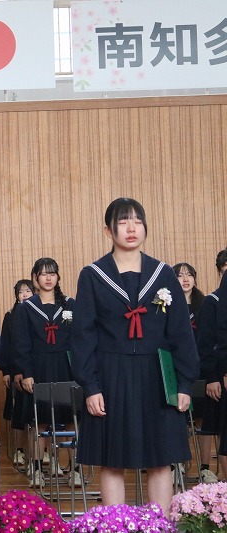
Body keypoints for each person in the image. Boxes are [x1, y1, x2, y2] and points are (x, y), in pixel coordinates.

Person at [71, 197, 199, 517]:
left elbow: (181, 333)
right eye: (123, 221)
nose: (131, 228)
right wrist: (90, 386)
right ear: (108, 230)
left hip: (157, 375)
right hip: (110, 375)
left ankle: (159, 524)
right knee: (112, 460)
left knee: (161, 459)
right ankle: (115, 525)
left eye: (137, 221)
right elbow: (83, 336)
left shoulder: (163, 274)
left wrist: (184, 384)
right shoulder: (93, 275)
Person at [13, 258, 78, 488]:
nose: (48, 278)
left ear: (58, 277)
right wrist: (26, 372)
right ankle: (38, 469)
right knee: (39, 422)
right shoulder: (26, 308)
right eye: (43, 274)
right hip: (38, 368)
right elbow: (20, 344)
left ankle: (75, 469)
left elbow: (81, 338)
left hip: (66, 367)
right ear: (35, 278)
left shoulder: (70, 305)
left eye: (52, 273)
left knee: (71, 421)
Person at [173, 261, 216, 483]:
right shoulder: (167, 303)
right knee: (178, 417)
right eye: (180, 275)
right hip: (176, 367)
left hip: (201, 367)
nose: (185, 279)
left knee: (202, 419)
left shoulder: (205, 303)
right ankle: (177, 464)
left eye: (189, 274)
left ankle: (205, 467)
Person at [194, 250, 227, 482]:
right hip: (220, 374)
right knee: (223, 431)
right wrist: (213, 377)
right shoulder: (212, 301)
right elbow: (205, 344)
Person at [0, 279, 34, 471]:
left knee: (37, 417)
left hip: (35, 370)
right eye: (21, 292)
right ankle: (19, 450)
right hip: (15, 371)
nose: (25, 294)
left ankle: (42, 453)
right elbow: (5, 344)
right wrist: (6, 371)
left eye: (28, 291)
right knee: (18, 413)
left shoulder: (39, 312)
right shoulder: (10, 316)